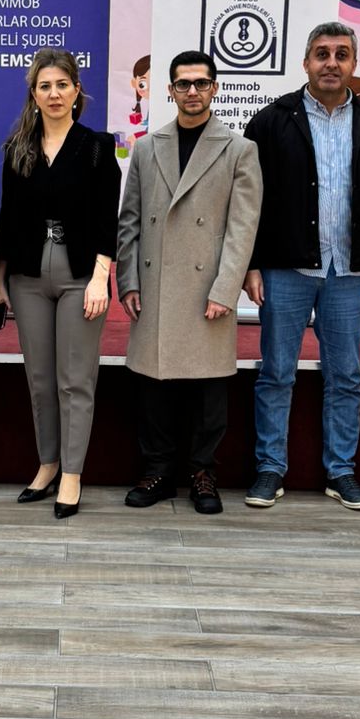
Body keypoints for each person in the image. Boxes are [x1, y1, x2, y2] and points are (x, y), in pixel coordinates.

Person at [242, 20, 360, 513]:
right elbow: (249, 202)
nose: (331, 63)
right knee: (276, 373)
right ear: (305, 62)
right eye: (322, 54)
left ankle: (342, 471)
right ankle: (270, 468)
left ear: (354, 63)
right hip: (284, 269)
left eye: (341, 54)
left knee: (346, 376)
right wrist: (251, 265)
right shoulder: (270, 122)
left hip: (350, 273)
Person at [116, 50, 262, 515]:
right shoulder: (146, 147)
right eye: (183, 84)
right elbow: (130, 220)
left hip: (207, 289)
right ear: (171, 90)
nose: (192, 91)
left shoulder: (239, 149)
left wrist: (225, 289)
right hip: (155, 282)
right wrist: (128, 280)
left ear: (215, 88)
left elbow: (243, 228)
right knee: (154, 388)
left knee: (208, 391)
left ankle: (202, 473)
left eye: (201, 83)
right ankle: (158, 471)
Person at [0, 49, 120, 520]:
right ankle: (47, 465)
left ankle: (72, 473)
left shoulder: (97, 146)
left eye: (62, 85)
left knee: (75, 380)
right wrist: (0, 282)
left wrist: (100, 279)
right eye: (44, 86)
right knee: (41, 380)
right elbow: (8, 220)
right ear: (33, 93)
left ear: (76, 90)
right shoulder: (17, 148)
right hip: (27, 275)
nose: (54, 94)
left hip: (80, 274)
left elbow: (108, 218)